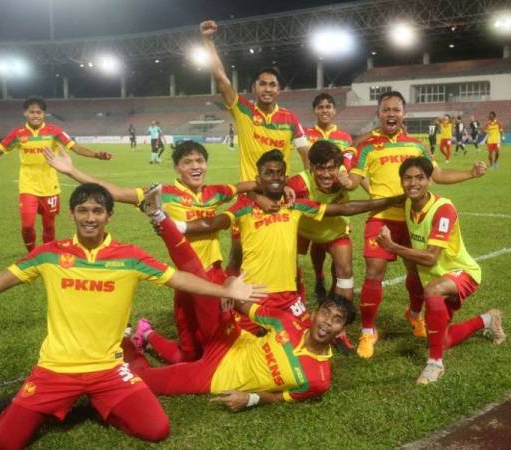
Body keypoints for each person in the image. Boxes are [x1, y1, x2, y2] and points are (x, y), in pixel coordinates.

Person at [0, 183, 264, 447]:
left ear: (109, 216)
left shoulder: (130, 256)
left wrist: (226, 290)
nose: (90, 217)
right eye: (83, 210)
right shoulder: (50, 254)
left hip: (109, 371)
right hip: (55, 370)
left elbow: (180, 278)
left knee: (157, 430)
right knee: (6, 442)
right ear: (72, 214)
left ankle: (94, 403)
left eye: (97, 211)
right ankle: (68, 402)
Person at [127, 192, 355, 409]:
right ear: (314, 314)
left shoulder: (319, 379)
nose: (327, 322)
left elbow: (281, 398)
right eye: (326, 313)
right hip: (228, 340)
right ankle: (158, 214)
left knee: (143, 381)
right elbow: (245, 306)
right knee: (199, 276)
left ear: (342, 329)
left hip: (217, 376)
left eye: (337, 320)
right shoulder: (286, 322)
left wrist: (251, 398)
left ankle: (131, 340)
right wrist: (228, 289)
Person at [44, 141, 259, 364]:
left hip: (214, 275)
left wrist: (274, 189)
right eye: (187, 162)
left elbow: (246, 187)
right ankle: (146, 335)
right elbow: (115, 193)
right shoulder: (162, 194)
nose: (195, 166)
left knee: (221, 345)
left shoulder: (216, 192)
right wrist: (71, 170)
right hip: (186, 280)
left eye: (199, 161)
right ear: (177, 168)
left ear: (206, 164)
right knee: (188, 356)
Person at [172, 149, 403, 333]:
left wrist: (390, 201)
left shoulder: (294, 205)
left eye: (279, 173)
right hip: (253, 294)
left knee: (304, 337)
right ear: (258, 178)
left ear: (285, 177)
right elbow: (213, 224)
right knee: (236, 342)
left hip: (288, 296)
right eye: (268, 173)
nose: (274, 178)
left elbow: (346, 208)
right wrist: (174, 225)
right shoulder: (244, 207)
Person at [345, 91, 487, 359]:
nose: (391, 114)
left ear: (404, 114)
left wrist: (470, 173)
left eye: (396, 110)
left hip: (413, 218)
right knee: (374, 272)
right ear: (378, 114)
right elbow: (354, 181)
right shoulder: (367, 148)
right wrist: (345, 179)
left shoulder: (417, 145)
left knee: (416, 273)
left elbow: (439, 175)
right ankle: (367, 331)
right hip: (381, 218)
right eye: (386, 110)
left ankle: (414, 314)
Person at [376, 157, 505, 384]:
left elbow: (430, 257)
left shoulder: (443, 209)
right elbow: (377, 202)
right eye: (407, 178)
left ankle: (434, 364)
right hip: (437, 277)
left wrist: (393, 247)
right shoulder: (408, 202)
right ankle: (487, 320)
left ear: (430, 180)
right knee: (440, 339)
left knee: (433, 291)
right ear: (401, 181)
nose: (413, 183)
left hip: (462, 273)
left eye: (420, 178)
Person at [200, 19, 311, 274]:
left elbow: (306, 155)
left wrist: (296, 187)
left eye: (273, 85)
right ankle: (232, 301)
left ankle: (291, 298)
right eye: (263, 84)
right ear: (254, 87)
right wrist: (208, 41)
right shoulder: (244, 111)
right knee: (238, 251)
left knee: (284, 250)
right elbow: (220, 77)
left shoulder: (290, 119)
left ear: (279, 90)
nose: (267, 89)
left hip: (278, 194)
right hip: (248, 195)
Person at [0, 96, 113, 252]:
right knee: (27, 224)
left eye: (39, 112)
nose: (35, 115)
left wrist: (96, 154)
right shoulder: (18, 134)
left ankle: (47, 253)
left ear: (44, 114)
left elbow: (75, 148)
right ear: (25, 113)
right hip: (28, 185)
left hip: (50, 186)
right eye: (32, 112)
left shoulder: (54, 131)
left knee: (49, 225)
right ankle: (31, 252)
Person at [287, 141, 355, 353]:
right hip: (304, 229)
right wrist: (284, 189)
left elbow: (357, 178)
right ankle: (293, 318)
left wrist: (349, 183)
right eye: (320, 168)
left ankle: (339, 330)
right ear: (311, 167)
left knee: (345, 272)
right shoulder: (299, 183)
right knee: (288, 272)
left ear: (338, 167)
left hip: (334, 230)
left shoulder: (344, 177)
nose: (326, 174)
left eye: (331, 168)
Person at [303, 92, 356, 300]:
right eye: (320, 107)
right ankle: (318, 278)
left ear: (334, 110)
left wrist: (346, 179)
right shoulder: (306, 135)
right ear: (315, 111)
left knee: (337, 243)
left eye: (328, 107)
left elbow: (349, 164)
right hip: (313, 195)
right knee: (316, 243)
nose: (324, 110)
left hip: (337, 197)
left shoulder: (344, 137)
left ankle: (336, 289)